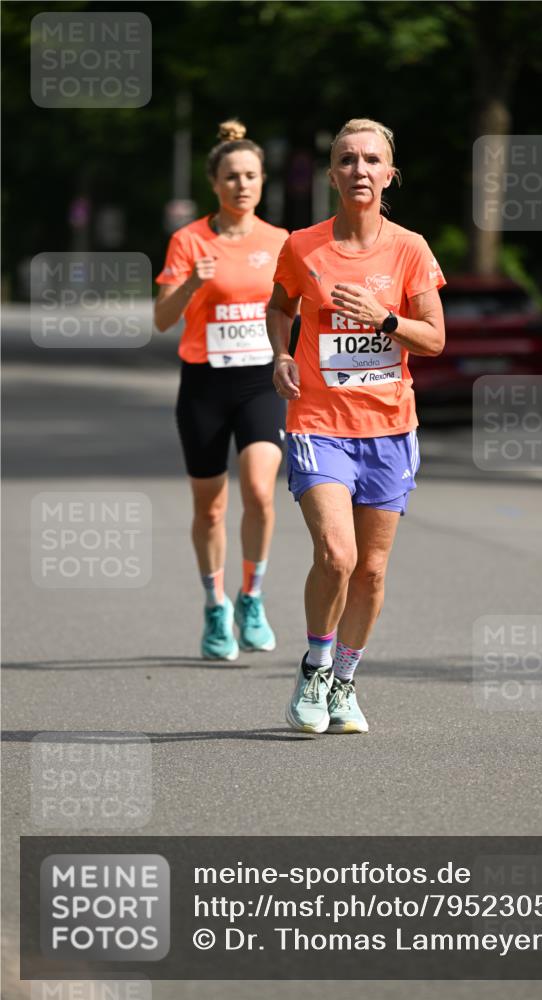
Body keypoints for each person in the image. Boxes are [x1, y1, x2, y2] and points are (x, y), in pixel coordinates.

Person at [267, 118, 445, 734]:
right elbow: (280, 305)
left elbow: (434, 339)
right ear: (332, 175)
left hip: (390, 427)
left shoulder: (410, 249)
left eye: (372, 160)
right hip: (318, 421)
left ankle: (344, 680)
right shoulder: (302, 246)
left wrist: (384, 318)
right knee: (337, 555)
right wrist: (281, 354)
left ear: (390, 174)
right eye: (347, 160)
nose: (359, 169)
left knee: (371, 569)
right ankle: (315, 667)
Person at [155, 119, 289, 661]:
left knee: (260, 490)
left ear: (262, 181)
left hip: (261, 380)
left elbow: (297, 310)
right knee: (210, 509)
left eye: (251, 176)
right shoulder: (189, 240)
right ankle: (215, 605)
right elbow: (163, 318)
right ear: (215, 183)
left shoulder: (280, 241)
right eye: (231, 176)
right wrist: (193, 280)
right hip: (205, 383)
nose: (242, 185)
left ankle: (251, 597)